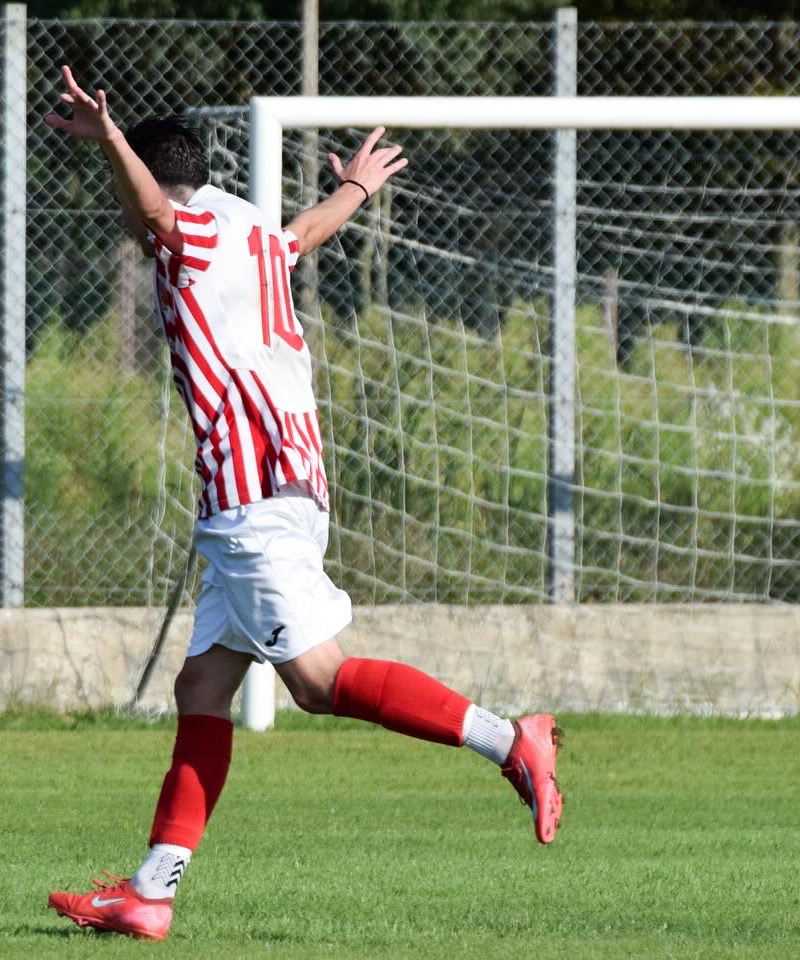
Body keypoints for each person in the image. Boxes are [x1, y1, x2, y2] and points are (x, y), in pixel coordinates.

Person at [43, 66, 563, 942]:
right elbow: (305, 232)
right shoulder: (248, 229)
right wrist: (355, 187)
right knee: (203, 684)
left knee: (319, 683)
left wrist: (111, 141)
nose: (127, 221)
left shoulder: (189, 233)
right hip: (283, 483)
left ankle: (510, 740)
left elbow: (156, 213)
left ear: (157, 179)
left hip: (254, 493)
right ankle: (150, 893)